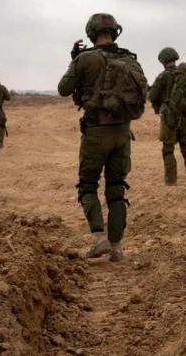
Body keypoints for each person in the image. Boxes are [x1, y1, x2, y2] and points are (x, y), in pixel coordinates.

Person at [58, 13, 147, 262]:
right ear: (115, 31)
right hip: (123, 133)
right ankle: (116, 247)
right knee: (116, 190)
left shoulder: (86, 58)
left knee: (88, 186)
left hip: (96, 132)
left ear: (91, 32)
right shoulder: (129, 59)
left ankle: (99, 239)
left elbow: (64, 89)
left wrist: (75, 61)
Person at [148, 47, 186, 187]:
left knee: (168, 149)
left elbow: (151, 96)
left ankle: (171, 181)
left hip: (169, 118)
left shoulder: (163, 76)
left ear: (163, 61)